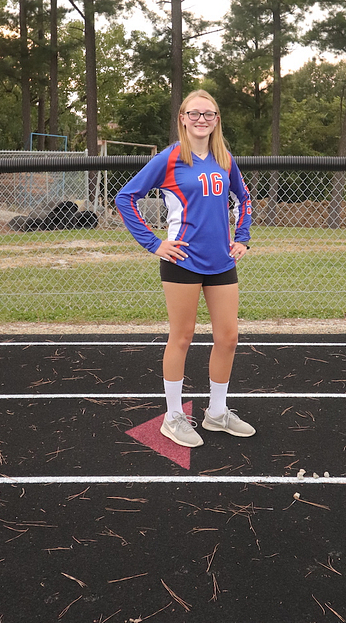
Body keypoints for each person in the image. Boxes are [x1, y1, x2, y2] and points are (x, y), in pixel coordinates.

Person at [115, 89, 255, 448]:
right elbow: (125, 197)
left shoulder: (224, 158)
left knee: (228, 337)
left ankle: (217, 413)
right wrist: (154, 243)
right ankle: (173, 416)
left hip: (221, 261)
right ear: (183, 118)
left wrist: (242, 236)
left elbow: (244, 198)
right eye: (194, 113)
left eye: (208, 114)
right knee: (181, 337)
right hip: (182, 260)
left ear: (217, 119)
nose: (201, 119)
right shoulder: (170, 157)